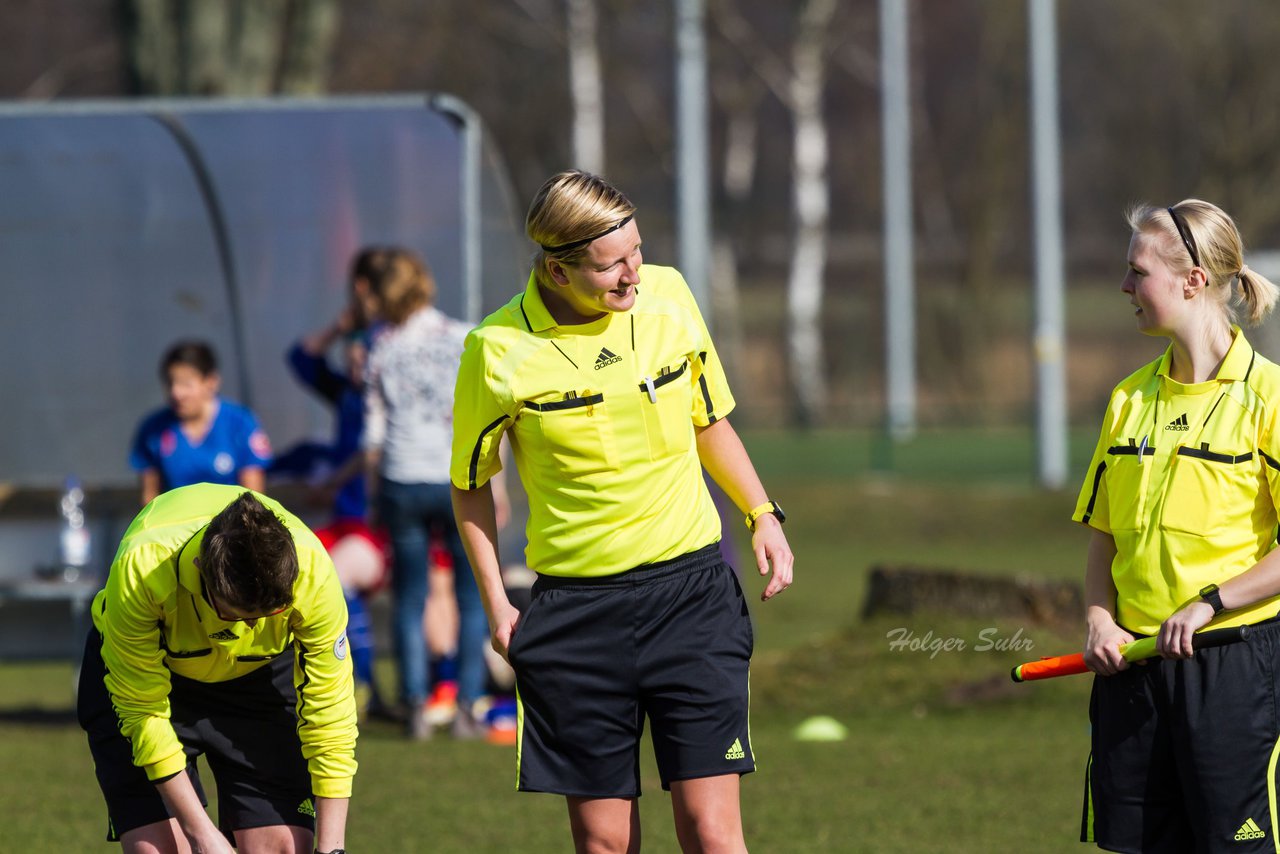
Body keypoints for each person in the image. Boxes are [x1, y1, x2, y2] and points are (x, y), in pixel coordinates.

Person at [450, 170, 794, 853]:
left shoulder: (669, 298)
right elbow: (469, 485)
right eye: (612, 265)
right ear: (557, 269)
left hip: (692, 598)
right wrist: (496, 606)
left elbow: (709, 420)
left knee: (713, 833)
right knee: (605, 843)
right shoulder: (496, 352)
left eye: (636, 251)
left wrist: (761, 513)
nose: (633, 274)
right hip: (575, 617)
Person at [1076, 199, 1280, 852]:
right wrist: (1099, 620)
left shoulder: (1269, 400)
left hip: (1231, 669)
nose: (1125, 287)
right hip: (1131, 673)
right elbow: (1102, 539)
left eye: (1138, 272)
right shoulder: (1128, 399)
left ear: (1191, 282)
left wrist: (1210, 605)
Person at [76, 484, 355, 854]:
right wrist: (202, 834)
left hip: (257, 682)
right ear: (200, 574)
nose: (250, 630)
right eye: (236, 616)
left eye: (267, 616)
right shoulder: (141, 568)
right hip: (153, 685)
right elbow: (142, 710)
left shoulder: (312, 573)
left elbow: (330, 714)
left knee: (283, 847)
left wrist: (332, 849)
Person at [363, 247, 496, 739]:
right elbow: (486, 419)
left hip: (401, 478)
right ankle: (467, 705)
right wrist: (495, 488)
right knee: (472, 594)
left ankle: (416, 703)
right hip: (459, 477)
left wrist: (375, 493)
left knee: (410, 598)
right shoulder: (463, 336)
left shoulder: (381, 345)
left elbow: (373, 432)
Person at [273, 272, 393, 720]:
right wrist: (341, 327)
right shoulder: (346, 394)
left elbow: (374, 454)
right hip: (345, 525)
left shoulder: (388, 400)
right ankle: (330, 683)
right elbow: (301, 359)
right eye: (351, 356)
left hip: (379, 527)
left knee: (339, 579)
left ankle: (366, 684)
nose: (356, 362)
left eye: (364, 353)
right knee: (297, 574)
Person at [130, 340, 272, 505]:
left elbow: (255, 499)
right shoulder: (153, 429)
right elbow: (149, 500)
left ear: (211, 381)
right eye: (170, 383)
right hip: (177, 527)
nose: (176, 393)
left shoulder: (240, 423)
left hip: (232, 527)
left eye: (185, 384)